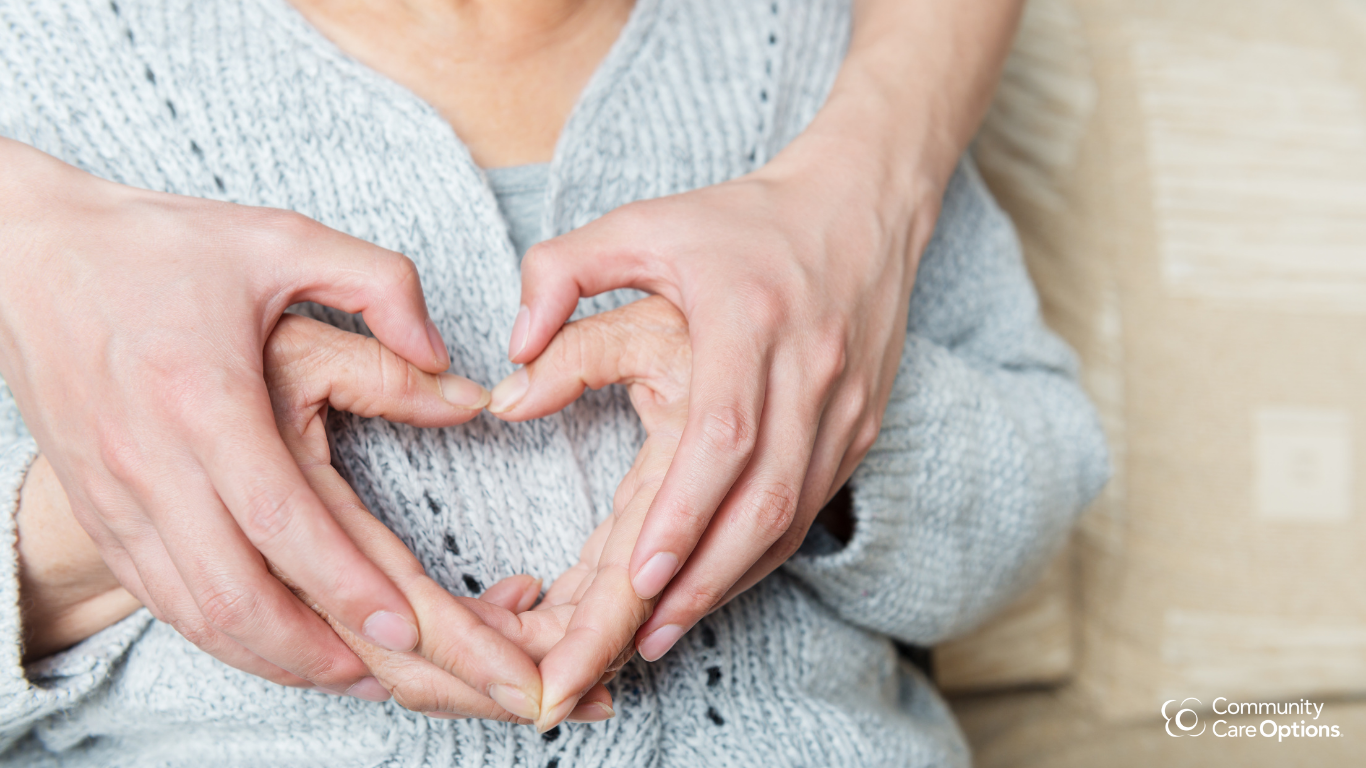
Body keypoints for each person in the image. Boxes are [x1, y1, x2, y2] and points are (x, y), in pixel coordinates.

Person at [0, 0, 1109, 764]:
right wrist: (79, 538)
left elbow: (1035, 486)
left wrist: (827, 419)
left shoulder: (813, 53)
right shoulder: (45, 72)